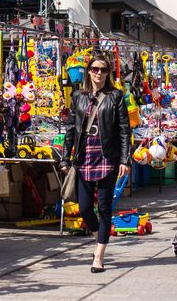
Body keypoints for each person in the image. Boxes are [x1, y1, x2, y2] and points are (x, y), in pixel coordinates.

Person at [62, 52, 132, 272]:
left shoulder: (116, 96)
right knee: (84, 208)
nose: (99, 73)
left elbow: (124, 129)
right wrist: (65, 157)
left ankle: (99, 256)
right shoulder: (78, 96)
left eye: (103, 70)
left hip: (107, 157)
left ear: (108, 73)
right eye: (95, 69)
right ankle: (98, 237)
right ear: (89, 71)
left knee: (104, 207)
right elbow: (71, 129)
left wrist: (124, 159)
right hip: (84, 158)